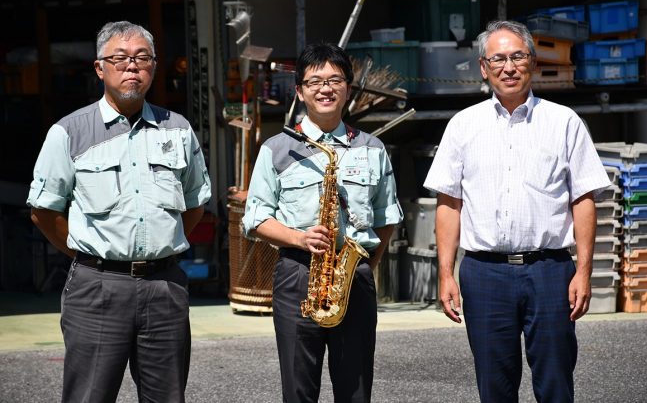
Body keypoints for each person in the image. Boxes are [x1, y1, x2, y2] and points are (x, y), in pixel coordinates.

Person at [424, 20, 610, 403]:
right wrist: (445, 274)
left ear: (533, 61)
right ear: (483, 67)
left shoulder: (564, 123)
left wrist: (584, 270)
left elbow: (583, 199)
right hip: (484, 273)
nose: (508, 67)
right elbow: (449, 203)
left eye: (517, 56)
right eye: (498, 59)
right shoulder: (463, 125)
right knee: (494, 387)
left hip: (550, 271)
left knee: (556, 382)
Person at [27, 21, 211, 403]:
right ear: (100, 68)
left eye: (142, 58)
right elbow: (45, 212)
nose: (132, 67)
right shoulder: (69, 132)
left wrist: (161, 246)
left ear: (154, 67)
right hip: (97, 288)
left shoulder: (177, 130)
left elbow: (195, 203)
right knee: (89, 396)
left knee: (167, 397)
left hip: (165, 288)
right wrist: (87, 255)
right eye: (121, 58)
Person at [242, 42, 403, 403]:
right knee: (299, 390)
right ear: (299, 91)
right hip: (298, 274)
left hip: (353, 275)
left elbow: (386, 217)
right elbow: (255, 219)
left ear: (348, 87)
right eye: (314, 82)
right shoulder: (277, 148)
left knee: (356, 390)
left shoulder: (372, 148)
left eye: (335, 80)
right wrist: (299, 239)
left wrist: (360, 268)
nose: (325, 89)